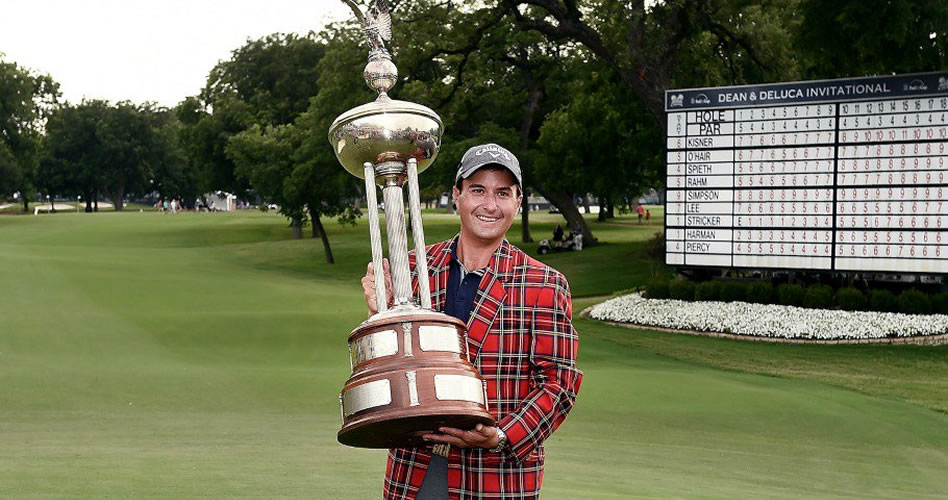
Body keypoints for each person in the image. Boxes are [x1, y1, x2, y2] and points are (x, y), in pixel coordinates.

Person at [361, 143, 583, 499]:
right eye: (478, 190)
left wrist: (502, 435)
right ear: (457, 195)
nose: (490, 205)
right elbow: (393, 366)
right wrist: (381, 316)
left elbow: (559, 385)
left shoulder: (545, 283)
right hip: (414, 471)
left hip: (495, 476)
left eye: (502, 193)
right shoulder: (414, 268)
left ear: (518, 201)